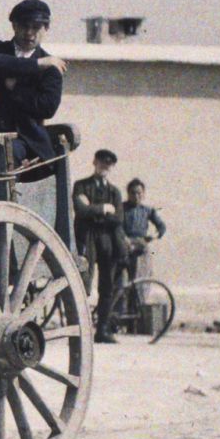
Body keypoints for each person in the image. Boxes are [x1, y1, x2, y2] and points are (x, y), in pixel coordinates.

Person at [0, 0, 68, 165]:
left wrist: (16, 89)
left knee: (9, 153)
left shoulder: (52, 67)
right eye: (24, 26)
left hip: (25, 138)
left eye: (36, 27)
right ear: (14, 26)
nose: (29, 32)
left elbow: (47, 108)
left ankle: (7, 192)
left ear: (46, 29)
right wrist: (36, 65)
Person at [72, 147, 125, 344]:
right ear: (94, 162)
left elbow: (118, 218)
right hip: (87, 238)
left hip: (108, 241)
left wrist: (92, 210)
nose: (104, 166)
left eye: (108, 164)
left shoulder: (115, 191)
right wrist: (104, 209)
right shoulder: (81, 185)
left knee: (107, 286)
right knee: (84, 283)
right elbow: (79, 209)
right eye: (102, 162)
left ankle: (102, 330)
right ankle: (80, 330)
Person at [119, 178, 168, 281]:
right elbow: (115, 226)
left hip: (141, 248)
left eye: (139, 193)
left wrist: (153, 236)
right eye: (133, 193)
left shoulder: (148, 210)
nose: (136, 196)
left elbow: (162, 226)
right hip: (123, 247)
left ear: (143, 194)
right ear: (128, 193)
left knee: (140, 281)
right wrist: (124, 239)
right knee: (121, 283)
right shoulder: (120, 208)